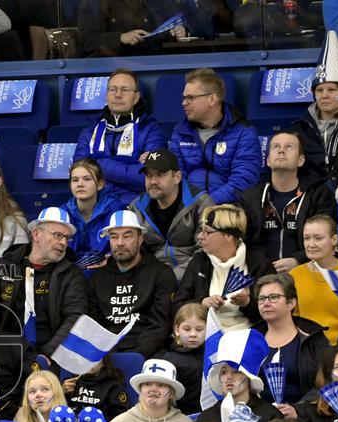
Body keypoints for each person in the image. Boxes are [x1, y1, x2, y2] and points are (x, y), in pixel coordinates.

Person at [0, 207, 88, 358]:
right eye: (57, 235)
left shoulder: (72, 274)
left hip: (48, 357)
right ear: (36, 234)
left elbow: (75, 318)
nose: (63, 242)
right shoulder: (4, 266)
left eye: (67, 238)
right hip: (4, 352)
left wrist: (47, 355)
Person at [88, 209, 177, 357]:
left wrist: (137, 355)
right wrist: (107, 357)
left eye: (127, 236)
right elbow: (93, 324)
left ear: (140, 239)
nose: (120, 243)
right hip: (105, 354)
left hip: (148, 352)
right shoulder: (97, 278)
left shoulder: (161, 274)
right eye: (114, 237)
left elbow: (160, 325)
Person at [243, 130, 336, 272]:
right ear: (268, 161)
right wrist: (266, 268)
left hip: (308, 271)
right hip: (262, 275)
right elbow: (244, 243)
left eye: (289, 147)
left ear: (301, 160)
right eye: (276, 147)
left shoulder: (319, 195)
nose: (281, 151)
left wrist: (298, 260)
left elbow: (325, 238)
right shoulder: (251, 198)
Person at [169, 68, 260, 205]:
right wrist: (189, 205)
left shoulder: (244, 132)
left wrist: (208, 203)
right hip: (187, 207)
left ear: (212, 99)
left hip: (230, 208)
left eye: (191, 97)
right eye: (184, 97)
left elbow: (244, 180)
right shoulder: (180, 132)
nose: (184, 103)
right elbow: (175, 176)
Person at [74, 69, 167, 203]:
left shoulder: (152, 131)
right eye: (113, 90)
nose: (118, 95)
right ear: (107, 95)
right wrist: (132, 167)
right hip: (95, 205)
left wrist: (99, 164)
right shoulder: (88, 133)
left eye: (125, 90)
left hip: (135, 205)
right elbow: (80, 176)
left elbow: (149, 179)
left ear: (136, 97)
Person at [176, 204, 272, 332]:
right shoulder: (199, 261)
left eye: (207, 232)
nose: (200, 236)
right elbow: (177, 305)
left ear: (228, 235)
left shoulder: (260, 265)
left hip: (248, 335)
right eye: (201, 230)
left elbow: (274, 312)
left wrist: (247, 303)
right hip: (205, 334)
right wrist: (202, 304)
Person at [130, 149, 213, 280]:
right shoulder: (136, 208)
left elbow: (206, 251)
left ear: (177, 177)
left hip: (193, 278)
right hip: (152, 278)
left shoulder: (200, 203)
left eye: (160, 175)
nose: (153, 181)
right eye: (148, 175)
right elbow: (134, 253)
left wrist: (170, 278)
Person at [252, 273, 327, 408]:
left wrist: (298, 410)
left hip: (306, 415)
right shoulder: (249, 340)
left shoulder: (313, 338)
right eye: (261, 299)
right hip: (260, 415)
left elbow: (328, 381)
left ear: (291, 303)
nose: (266, 303)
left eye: (273, 297)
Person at [294, 34, 338, 187]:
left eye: (331, 89)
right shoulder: (300, 129)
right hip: (310, 195)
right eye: (319, 90)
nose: (324, 95)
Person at [289, 214, 338, 344]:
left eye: (318, 238)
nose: (311, 244)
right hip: (308, 348)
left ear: (334, 240)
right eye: (306, 238)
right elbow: (291, 321)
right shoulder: (295, 275)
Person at [64, 159, 126, 260]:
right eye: (75, 180)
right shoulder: (62, 214)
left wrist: (110, 258)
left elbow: (126, 244)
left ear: (100, 184)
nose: (80, 184)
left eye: (87, 179)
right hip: (70, 268)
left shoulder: (115, 210)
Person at [78, 0, 186, 57]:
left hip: (158, 60)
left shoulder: (159, 2)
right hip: (114, 65)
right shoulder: (95, 2)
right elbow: (87, 41)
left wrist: (182, 31)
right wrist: (120, 37)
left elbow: (179, 20)